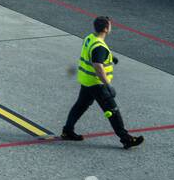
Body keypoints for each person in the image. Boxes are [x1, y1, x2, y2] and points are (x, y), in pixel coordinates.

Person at [61, 16, 144, 149]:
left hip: (86, 80)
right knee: (112, 111)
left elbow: (92, 54)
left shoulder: (90, 38)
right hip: (97, 84)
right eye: (110, 25)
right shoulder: (99, 47)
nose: (111, 27)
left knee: (80, 106)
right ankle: (125, 138)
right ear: (106, 29)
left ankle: (67, 131)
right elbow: (98, 65)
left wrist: (111, 58)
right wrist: (108, 85)